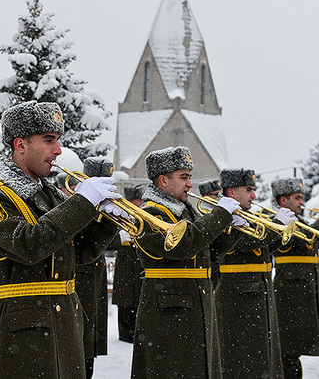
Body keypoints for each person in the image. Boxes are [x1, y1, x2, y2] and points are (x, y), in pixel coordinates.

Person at [0, 100, 120, 379]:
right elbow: (30, 245)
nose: (58, 150)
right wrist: (82, 203)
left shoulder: (49, 193)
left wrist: (108, 219)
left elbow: (81, 252)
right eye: (49, 140)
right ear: (20, 145)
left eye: (58, 140)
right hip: (26, 334)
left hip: (64, 325)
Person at [131, 146, 234, 379]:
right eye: (184, 177)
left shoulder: (185, 211)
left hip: (193, 307)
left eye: (189, 177)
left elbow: (208, 253)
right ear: (163, 181)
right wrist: (219, 216)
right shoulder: (151, 213)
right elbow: (184, 246)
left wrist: (233, 228)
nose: (190, 184)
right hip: (169, 312)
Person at [211, 168, 282, 379]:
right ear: (231, 192)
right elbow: (245, 243)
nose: (254, 195)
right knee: (240, 356)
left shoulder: (249, 216)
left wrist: (281, 231)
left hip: (258, 291)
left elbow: (267, 248)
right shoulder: (223, 217)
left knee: (261, 354)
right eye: (248, 190)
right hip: (237, 296)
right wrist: (277, 226)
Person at [270, 177, 319, 379]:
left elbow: (314, 242)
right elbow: (305, 237)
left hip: (301, 288)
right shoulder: (278, 220)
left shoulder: (299, 220)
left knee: (294, 345)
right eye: (297, 198)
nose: (302, 202)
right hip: (290, 290)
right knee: (288, 345)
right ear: (283, 200)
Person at [75, 157, 114, 378]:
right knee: (82, 338)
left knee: (91, 338)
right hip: (81, 275)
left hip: (95, 272)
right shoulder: (80, 199)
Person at [111, 183, 144, 344]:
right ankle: (125, 332)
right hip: (125, 263)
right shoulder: (119, 214)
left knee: (138, 299)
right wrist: (120, 236)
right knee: (125, 300)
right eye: (138, 200)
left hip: (138, 263)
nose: (141, 203)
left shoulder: (143, 214)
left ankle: (136, 331)